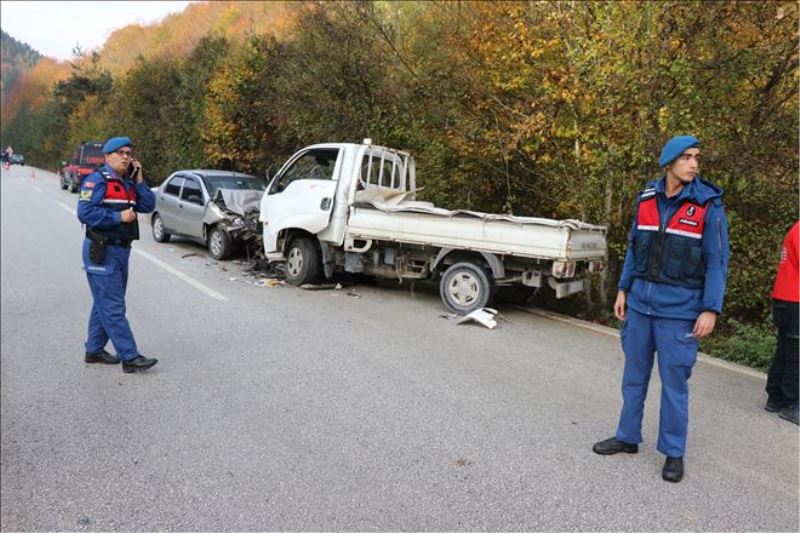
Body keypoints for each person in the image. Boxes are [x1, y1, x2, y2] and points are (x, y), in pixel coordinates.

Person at [592, 135, 730, 483]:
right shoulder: (646, 199)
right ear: (668, 162)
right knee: (633, 378)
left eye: (697, 157)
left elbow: (717, 263)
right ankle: (627, 436)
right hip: (640, 306)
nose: (694, 164)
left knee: (674, 386)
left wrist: (710, 309)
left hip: (679, 312)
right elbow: (634, 248)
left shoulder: (708, 206)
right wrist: (623, 288)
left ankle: (673, 452)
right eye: (686, 157)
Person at [77, 136, 158, 373]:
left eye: (129, 153)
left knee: (103, 303)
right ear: (107, 156)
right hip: (102, 250)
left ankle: (94, 350)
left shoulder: (128, 183)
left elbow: (148, 205)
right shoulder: (96, 180)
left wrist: (140, 179)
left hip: (122, 251)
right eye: (120, 153)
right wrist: (118, 216)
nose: (125, 157)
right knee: (113, 306)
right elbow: (84, 212)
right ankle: (130, 357)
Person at [765, 221, 799, 425]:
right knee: (796, 352)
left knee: (786, 348)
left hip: (787, 297)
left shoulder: (796, 228)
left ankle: (775, 396)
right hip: (796, 298)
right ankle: (793, 402)